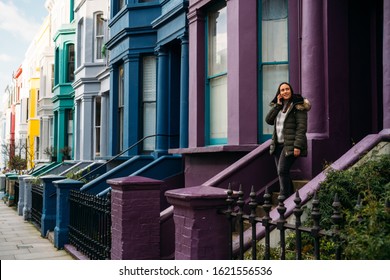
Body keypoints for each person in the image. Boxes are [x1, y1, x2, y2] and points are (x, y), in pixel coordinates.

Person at [265, 82, 311, 198]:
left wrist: (297, 146)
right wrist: (278, 105)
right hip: (277, 145)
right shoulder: (279, 106)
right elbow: (268, 120)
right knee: (283, 172)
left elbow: (301, 128)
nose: (285, 92)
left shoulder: (298, 106)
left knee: (282, 170)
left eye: (287, 89)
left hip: (290, 144)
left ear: (291, 90)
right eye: (282, 90)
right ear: (279, 93)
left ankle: (283, 197)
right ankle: (291, 198)